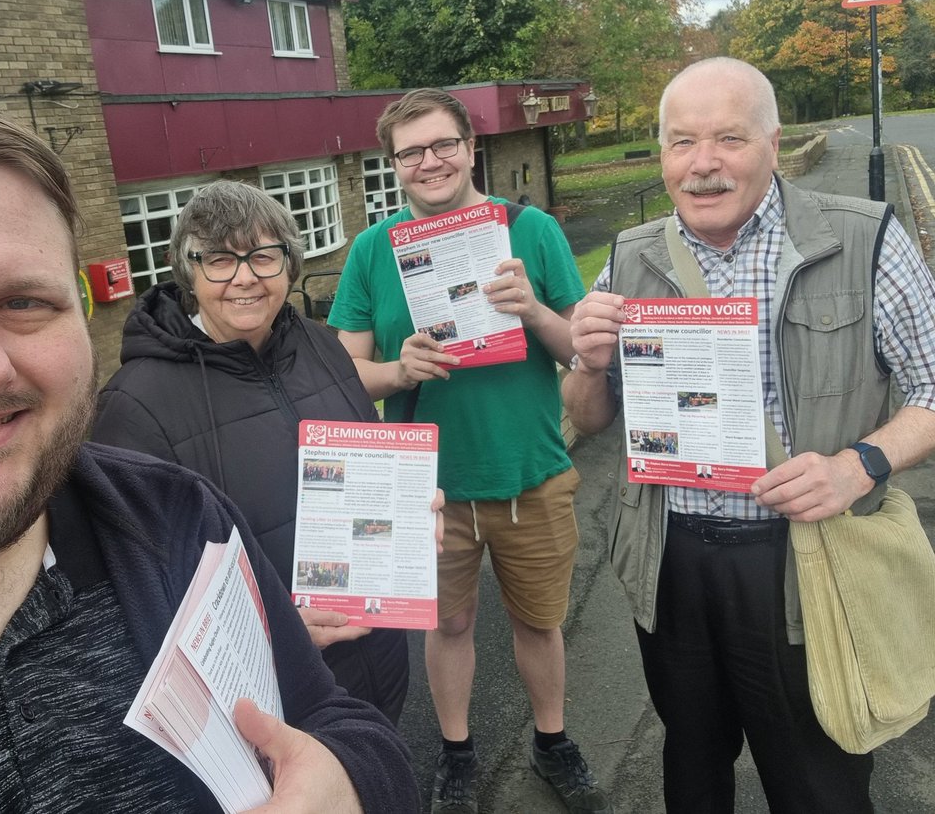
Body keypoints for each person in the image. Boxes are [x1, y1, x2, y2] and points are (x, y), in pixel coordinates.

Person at [0, 78, 419, 813]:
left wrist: (348, 784)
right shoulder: (144, 409)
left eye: (24, 301)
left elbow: (334, 724)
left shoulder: (178, 516)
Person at [562, 56, 935, 813]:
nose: (703, 164)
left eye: (727, 138)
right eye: (680, 142)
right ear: (662, 153)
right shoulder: (629, 259)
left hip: (809, 558)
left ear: (773, 141)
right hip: (674, 561)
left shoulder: (865, 239)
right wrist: (588, 364)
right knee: (692, 759)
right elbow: (591, 417)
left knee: (817, 776)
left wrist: (860, 464)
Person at [327, 88, 611, 814]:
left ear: (470, 146)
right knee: (449, 624)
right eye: (412, 151)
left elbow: (583, 354)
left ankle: (553, 740)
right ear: (393, 165)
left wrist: (533, 310)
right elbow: (341, 372)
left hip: (529, 469)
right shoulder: (371, 250)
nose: (431, 161)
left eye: (443, 144)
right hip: (429, 484)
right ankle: (457, 752)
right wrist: (397, 370)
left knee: (539, 621)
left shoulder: (532, 229)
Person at [93, 179, 414, 724]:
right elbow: (130, 592)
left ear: (288, 264)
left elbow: (368, 468)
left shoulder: (320, 345)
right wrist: (272, 628)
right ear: (188, 272)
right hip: (265, 697)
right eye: (219, 259)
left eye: (264, 256)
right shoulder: (134, 404)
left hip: (377, 658)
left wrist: (402, 520)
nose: (245, 277)